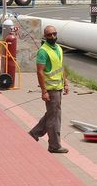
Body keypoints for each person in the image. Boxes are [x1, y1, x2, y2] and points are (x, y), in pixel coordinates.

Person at [29, 25, 69, 153]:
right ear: (45, 36)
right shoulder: (43, 51)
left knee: (52, 114)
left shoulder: (58, 48)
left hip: (59, 87)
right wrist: (44, 91)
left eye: (54, 34)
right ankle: (54, 146)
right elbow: (40, 72)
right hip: (51, 89)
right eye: (49, 35)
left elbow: (60, 66)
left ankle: (33, 134)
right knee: (54, 118)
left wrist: (66, 82)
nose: (52, 36)